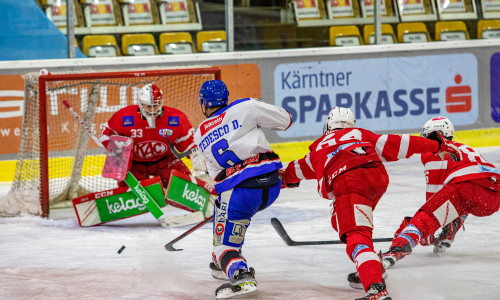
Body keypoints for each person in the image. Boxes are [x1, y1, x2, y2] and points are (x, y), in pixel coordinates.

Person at [280, 107, 457, 300]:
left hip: (349, 182)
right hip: (376, 179)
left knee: (356, 236)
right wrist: (435, 145)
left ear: (328, 125)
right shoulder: (359, 134)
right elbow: (399, 143)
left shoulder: (319, 146)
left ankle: (376, 289)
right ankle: (372, 268)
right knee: (342, 220)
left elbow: (297, 168)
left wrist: (278, 179)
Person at [192, 79, 292, 299]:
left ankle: (236, 269)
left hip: (241, 195)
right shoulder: (245, 106)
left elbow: (214, 176)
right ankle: (226, 260)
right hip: (271, 185)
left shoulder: (199, 133)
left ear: (203, 104)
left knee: (221, 245)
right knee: (229, 209)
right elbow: (286, 120)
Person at [381, 116, 500, 269]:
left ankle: (397, 249)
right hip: (494, 195)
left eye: (425, 135)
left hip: (467, 185)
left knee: (425, 217)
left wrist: (425, 231)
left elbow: (435, 198)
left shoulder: (433, 152)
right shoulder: (465, 148)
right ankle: (449, 232)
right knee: (463, 201)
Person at [98, 83, 208, 194]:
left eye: (155, 105)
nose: (151, 110)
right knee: (129, 196)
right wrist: (116, 155)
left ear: (161, 103)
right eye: (148, 106)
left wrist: (196, 155)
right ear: (140, 104)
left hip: (165, 162)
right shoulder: (124, 117)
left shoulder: (176, 118)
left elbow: (188, 142)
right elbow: (105, 134)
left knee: (186, 189)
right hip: (135, 166)